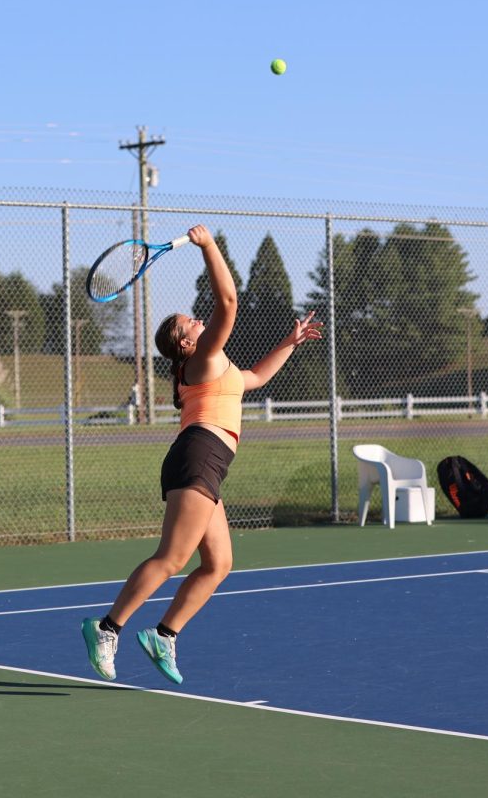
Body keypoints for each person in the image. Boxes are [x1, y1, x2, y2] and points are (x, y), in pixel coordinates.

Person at [81, 224, 322, 685]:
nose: (195, 319)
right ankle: (107, 628)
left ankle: (164, 635)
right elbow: (228, 302)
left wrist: (288, 344)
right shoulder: (201, 360)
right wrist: (208, 246)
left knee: (218, 564)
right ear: (186, 343)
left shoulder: (219, 367)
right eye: (188, 322)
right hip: (198, 456)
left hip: (206, 460)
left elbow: (254, 378)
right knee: (172, 558)